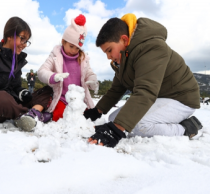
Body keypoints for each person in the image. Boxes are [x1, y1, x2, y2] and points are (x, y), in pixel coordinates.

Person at [84, 13, 203, 148]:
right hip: (159, 98)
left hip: (181, 99)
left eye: (110, 50)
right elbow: (117, 89)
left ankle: (186, 129)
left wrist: (115, 130)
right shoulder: (124, 59)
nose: (108, 57)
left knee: (138, 125)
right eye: (105, 53)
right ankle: (165, 122)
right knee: (114, 119)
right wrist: (97, 111)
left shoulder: (151, 48)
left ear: (124, 39)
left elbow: (146, 91)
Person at [0, 17, 53, 135]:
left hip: (11, 103)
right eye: (22, 39)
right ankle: (27, 115)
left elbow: (15, 87)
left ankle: (31, 114)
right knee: (1, 97)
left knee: (48, 89)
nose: (24, 45)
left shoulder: (16, 59)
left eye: (26, 41)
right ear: (9, 36)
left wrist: (22, 93)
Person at [38, 14, 99, 122]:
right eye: (71, 46)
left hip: (79, 100)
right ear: (63, 41)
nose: (74, 51)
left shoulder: (83, 59)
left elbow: (89, 72)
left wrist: (92, 80)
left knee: (84, 118)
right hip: (62, 98)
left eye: (77, 48)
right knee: (59, 116)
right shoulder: (55, 56)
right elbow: (42, 71)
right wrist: (53, 76)